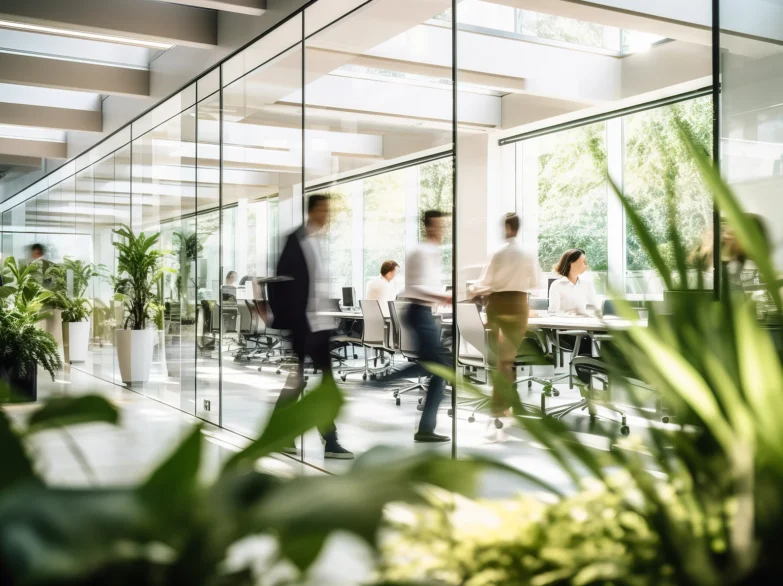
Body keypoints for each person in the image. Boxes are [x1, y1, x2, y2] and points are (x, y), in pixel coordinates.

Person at [268, 194, 353, 459]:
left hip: (321, 323)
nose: (327, 215)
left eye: (329, 211)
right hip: (303, 324)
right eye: (324, 210)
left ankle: (327, 441)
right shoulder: (295, 240)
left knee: (318, 384)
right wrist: (289, 320)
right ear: (312, 211)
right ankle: (294, 436)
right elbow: (279, 283)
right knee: (297, 382)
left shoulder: (318, 242)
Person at [471, 213, 541, 418]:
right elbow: (536, 283)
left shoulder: (497, 253)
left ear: (508, 228)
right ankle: (506, 404)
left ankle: (501, 406)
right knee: (507, 359)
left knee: (501, 360)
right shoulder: (528, 254)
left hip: (498, 305)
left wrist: (472, 291)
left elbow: (485, 282)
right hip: (519, 305)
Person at [403, 210, 452, 443]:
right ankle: (375, 382)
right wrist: (443, 297)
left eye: (443, 226)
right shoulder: (420, 252)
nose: (441, 230)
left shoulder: (432, 252)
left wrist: (440, 297)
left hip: (425, 313)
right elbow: (413, 287)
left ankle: (426, 429)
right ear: (428, 227)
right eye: (438, 226)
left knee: (438, 369)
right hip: (418, 312)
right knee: (438, 368)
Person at [548, 248, 599, 384]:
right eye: (582, 262)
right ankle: (586, 384)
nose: (585, 265)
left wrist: (592, 315)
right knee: (586, 339)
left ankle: (606, 374)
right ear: (571, 263)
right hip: (565, 331)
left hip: (585, 326)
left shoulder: (586, 284)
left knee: (609, 337)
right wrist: (572, 315)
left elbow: (596, 306)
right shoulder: (557, 285)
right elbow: (553, 312)